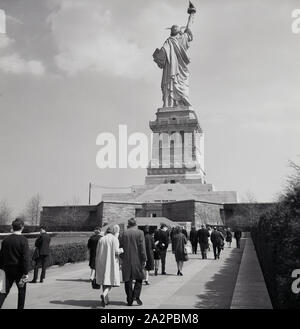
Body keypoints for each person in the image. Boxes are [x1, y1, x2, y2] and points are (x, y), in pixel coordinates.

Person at [153, 6, 196, 107]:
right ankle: (178, 103)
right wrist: (192, 13)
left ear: (171, 32)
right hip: (179, 71)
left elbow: (163, 52)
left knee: (171, 85)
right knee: (179, 87)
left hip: (171, 71)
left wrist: (157, 54)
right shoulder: (183, 38)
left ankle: (170, 103)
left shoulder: (169, 41)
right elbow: (189, 27)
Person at [0, 218, 30, 309]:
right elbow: (25, 258)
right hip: (19, 271)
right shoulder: (23, 240)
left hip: (7, 270)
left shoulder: (5, 240)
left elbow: (1, 256)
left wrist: (1, 270)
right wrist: (26, 273)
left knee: (3, 292)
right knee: (21, 292)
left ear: (12, 227)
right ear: (22, 227)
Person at [119, 218, 147, 306]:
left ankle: (129, 299)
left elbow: (120, 247)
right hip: (137, 259)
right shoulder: (140, 232)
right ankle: (136, 295)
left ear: (128, 224)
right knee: (139, 278)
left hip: (126, 259)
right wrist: (144, 259)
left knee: (128, 279)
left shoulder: (123, 233)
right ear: (135, 224)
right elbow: (142, 247)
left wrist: (121, 258)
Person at [95, 225, 123, 308]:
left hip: (101, 262)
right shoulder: (115, 239)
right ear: (114, 232)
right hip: (111, 263)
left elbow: (97, 252)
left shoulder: (101, 239)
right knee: (111, 281)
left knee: (104, 281)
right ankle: (104, 295)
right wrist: (122, 250)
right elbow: (117, 252)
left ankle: (106, 299)